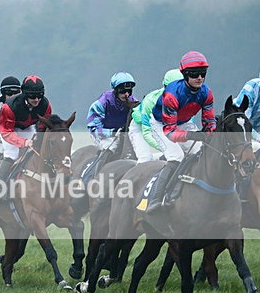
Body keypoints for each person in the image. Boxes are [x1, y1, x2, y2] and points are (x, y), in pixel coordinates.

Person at [147, 51, 217, 212]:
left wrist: (210, 133)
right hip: (161, 124)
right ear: (185, 75)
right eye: (194, 74)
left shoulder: (207, 93)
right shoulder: (172, 94)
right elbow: (170, 132)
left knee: (201, 153)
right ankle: (156, 199)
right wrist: (192, 135)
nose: (199, 78)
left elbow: (209, 122)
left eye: (202, 73)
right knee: (176, 156)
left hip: (184, 123)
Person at [0, 75, 52, 202]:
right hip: (8, 128)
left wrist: (37, 141)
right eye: (32, 96)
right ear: (24, 94)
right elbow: (6, 132)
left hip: (28, 127)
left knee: (38, 151)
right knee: (12, 153)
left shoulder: (46, 105)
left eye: (39, 96)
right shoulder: (10, 106)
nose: (36, 99)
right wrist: (23, 142)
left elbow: (43, 127)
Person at [83, 72, 138, 176]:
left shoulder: (133, 102)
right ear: (116, 90)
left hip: (122, 133)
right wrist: (111, 132)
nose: (126, 94)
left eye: (128, 91)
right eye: (122, 91)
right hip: (102, 133)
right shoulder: (102, 103)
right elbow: (93, 127)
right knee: (110, 148)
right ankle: (94, 177)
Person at [129, 68, 183, 163]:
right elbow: (147, 133)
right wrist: (165, 147)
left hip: (164, 127)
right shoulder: (150, 101)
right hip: (140, 128)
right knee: (145, 158)